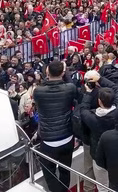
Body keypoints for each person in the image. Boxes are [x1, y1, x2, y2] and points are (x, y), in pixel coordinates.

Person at [32, 60, 78, 192]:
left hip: (48, 141)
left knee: (49, 174)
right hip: (67, 137)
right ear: (63, 73)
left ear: (47, 72)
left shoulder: (38, 91)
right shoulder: (70, 88)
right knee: (65, 170)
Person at [79, 87, 118, 192]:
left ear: (99, 101)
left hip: (99, 158)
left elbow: (83, 109)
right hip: (116, 156)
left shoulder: (93, 119)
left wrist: (88, 92)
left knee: (102, 187)